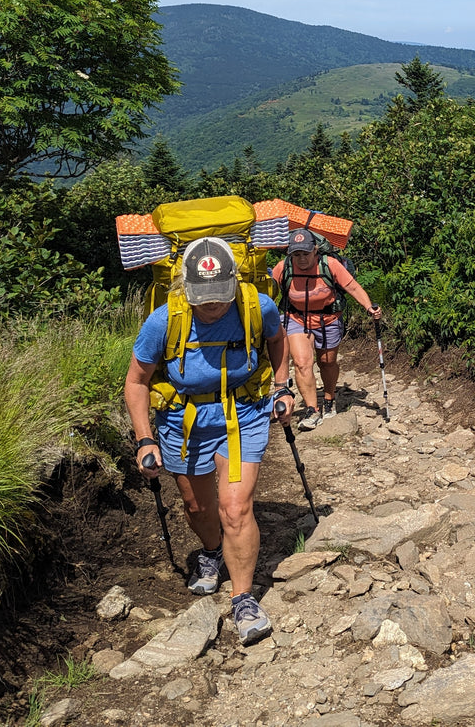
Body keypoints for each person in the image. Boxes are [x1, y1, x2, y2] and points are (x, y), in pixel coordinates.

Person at [124, 235, 291, 645]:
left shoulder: (257, 306)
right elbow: (136, 382)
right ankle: (213, 551)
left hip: (243, 412)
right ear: (187, 288)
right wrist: (145, 439)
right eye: (203, 297)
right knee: (197, 506)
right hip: (183, 419)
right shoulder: (163, 320)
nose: (212, 305)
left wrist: (282, 387)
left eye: (220, 296)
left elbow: (277, 340)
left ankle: (243, 598)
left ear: (234, 283)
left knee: (235, 507)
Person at [271, 227, 382, 429]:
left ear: (315, 250)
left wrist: (369, 307)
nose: (301, 259)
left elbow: (353, 287)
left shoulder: (329, 265)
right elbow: (267, 292)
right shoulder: (284, 267)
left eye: (305, 253)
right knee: (302, 363)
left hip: (328, 319)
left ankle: (329, 398)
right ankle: (312, 410)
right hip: (296, 318)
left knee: (327, 362)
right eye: (296, 254)